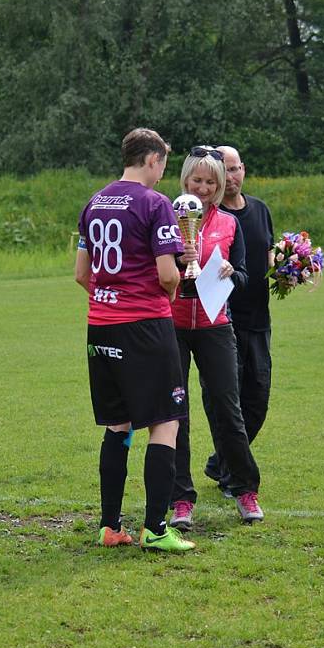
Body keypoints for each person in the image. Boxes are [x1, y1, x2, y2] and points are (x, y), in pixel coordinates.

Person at [75, 128, 195, 553]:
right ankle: (157, 529)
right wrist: (174, 287)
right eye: (162, 163)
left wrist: (112, 299)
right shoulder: (154, 203)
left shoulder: (94, 201)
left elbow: (81, 274)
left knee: (118, 425)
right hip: (144, 326)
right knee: (166, 421)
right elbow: (166, 274)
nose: (163, 173)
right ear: (151, 160)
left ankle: (110, 526)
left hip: (100, 326)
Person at [169, 146, 262, 531]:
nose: (204, 188)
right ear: (185, 181)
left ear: (221, 183)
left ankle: (244, 489)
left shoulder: (230, 224)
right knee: (176, 414)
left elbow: (243, 276)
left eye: (211, 181)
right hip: (171, 326)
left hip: (216, 325)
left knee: (228, 409)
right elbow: (152, 272)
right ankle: (180, 500)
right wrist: (177, 260)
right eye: (197, 180)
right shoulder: (167, 220)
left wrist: (228, 271)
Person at [202, 145, 274, 519]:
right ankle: (233, 475)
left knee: (257, 399)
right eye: (225, 170)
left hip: (260, 320)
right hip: (223, 322)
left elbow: (266, 258)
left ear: (244, 170)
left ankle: (220, 462)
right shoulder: (211, 217)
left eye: (236, 168)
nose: (232, 176)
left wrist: (290, 270)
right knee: (226, 403)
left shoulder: (260, 210)